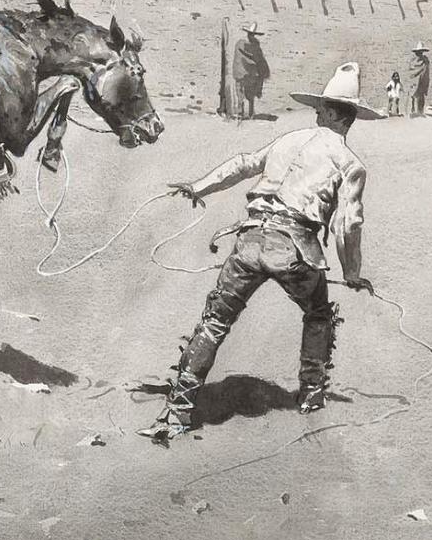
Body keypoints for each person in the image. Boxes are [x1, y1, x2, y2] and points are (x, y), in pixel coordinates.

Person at [138, 62, 381, 444]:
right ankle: (311, 396)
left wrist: (199, 187)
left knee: (215, 321)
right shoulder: (351, 164)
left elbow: (243, 164)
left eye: (322, 108)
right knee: (318, 314)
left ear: (334, 113)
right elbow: (347, 225)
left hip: (249, 240)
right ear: (350, 119)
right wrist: (351, 272)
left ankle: (180, 410)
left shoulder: (288, 140)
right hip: (295, 247)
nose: (316, 113)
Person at [232, 23, 270, 120]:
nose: (252, 36)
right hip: (245, 72)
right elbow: (257, 59)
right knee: (244, 92)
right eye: (251, 34)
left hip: (247, 73)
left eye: (252, 35)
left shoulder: (248, 44)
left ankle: (247, 113)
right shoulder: (246, 44)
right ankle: (245, 113)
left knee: (246, 92)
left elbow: (257, 58)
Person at [408, 42, 431, 116]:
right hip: (414, 81)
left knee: (421, 96)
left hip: (422, 80)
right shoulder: (412, 61)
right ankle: (412, 111)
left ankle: (420, 111)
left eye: (421, 52)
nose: (419, 53)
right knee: (413, 95)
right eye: (418, 52)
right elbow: (411, 71)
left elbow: (426, 71)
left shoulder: (425, 61)